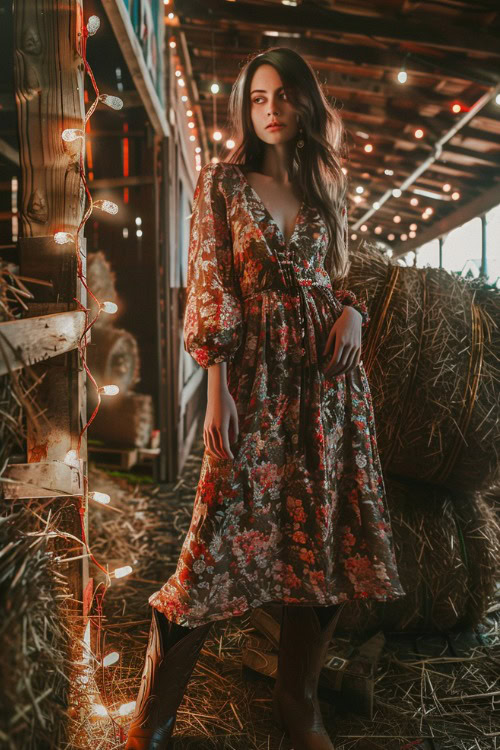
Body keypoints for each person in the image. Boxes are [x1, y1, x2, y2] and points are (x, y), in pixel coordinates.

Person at [125, 47, 406, 750]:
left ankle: (299, 703)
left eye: (282, 96)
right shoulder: (222, 184)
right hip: (252, 378)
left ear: (306, 103)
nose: (271, 109)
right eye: (258, 98)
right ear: (246, 111)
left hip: (328, 389)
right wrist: (216, 387)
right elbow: (212, 283)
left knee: (326, 537)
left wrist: (354, 311)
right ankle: (152, 719)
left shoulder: (327, 191)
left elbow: (350, 273)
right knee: (211, 541)